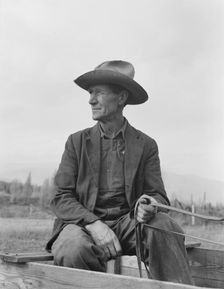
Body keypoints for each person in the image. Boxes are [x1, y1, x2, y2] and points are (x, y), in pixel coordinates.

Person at [46, 60, 193, 284]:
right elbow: (60, 197)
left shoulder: (146, 145)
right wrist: (95, 225)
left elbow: (159, 196)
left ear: (121, 98)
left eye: (98, 93)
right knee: (71, 247)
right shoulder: (76, 142)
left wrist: (149, 205)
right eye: (90, 93)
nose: (91, 100)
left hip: (129, 226)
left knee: (165, 227)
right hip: (83, 227)